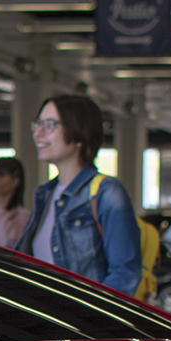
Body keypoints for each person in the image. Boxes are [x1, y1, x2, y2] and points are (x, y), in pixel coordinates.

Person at [13, 94, 141, 293]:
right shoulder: (45, 195)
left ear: (79, 133)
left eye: (49, 125)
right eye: (37, 124)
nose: (38, 133)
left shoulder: (107, 192)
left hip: (82, 321)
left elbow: (124, 274)